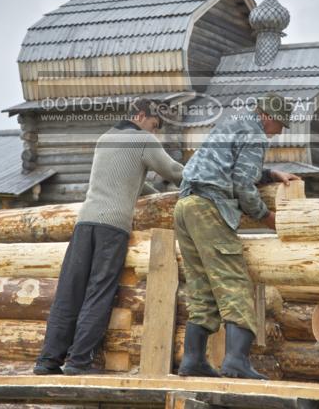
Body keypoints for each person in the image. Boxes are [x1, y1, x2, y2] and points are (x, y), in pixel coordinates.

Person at [34, 98, 183, 376]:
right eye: (154, 125)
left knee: (69, 291)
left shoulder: (106, 138)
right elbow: (174, 172)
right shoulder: (143, 141)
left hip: (84, 223)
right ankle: (78, 362)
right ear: (140, 116)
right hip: (112, 228)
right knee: (99, 292)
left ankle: (47, 361)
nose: (155, 132)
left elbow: (124, 180)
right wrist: (203, 183)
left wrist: (154, 195)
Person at [174, 93, 300, 379]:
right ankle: (236, 361)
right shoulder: (255, 133)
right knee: (234, 283)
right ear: (268, 116)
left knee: (202, 285)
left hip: (186, 205)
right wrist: (267, 218)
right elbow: (242, 185)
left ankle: (193, 360)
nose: (279, 132)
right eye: (280, 124)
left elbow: (231, 167)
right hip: (209, 208)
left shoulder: (233, 123)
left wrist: (270, 174)